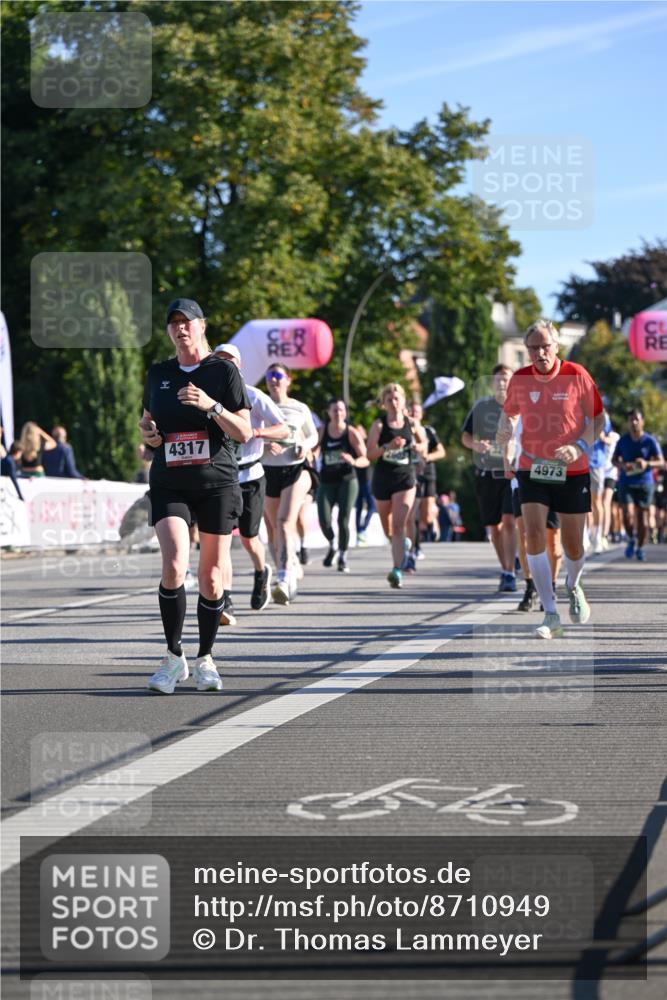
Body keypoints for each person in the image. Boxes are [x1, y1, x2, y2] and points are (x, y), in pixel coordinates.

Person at [140, 298, 251, 694]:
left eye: (186, 321)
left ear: (202, 326)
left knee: (212, 577)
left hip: (217, 483)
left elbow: (244, 432)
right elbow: (149, 422)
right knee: (173, 565)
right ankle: (173, 658)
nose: (179, 327)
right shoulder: (159, 374)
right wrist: (148, 433)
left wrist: (211, 405)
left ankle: (205, 658)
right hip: (170, 479)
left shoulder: (222, 372)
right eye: (173, 322)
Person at [497, 319, 606, 639]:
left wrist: (580, 446)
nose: (540, 353)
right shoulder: (520, 378)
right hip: (532, 466)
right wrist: (505, 437)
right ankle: (550, 612)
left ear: (556, 347)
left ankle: (573, 584)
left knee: (572, 545)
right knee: (533, 533)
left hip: (573, 470)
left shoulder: (577, 374)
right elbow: (510, 414)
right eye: (533, 348)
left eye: (545, 346)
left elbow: (598, 418)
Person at [213, 343, 288, 616]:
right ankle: (226, 600)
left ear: (239, 365)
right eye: (219, 360)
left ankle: (261, 571)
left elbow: (283, 428)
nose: (224, 365)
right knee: (222, 540)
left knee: (248, 539)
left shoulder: (253, 396)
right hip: (222, 477)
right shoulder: (209, 398)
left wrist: (256, 433)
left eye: (229, 361)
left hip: (252, 475)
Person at [261, 363, 319, 605]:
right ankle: (289, 565)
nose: (274, 380)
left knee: (285, 521)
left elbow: (313, 435)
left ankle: (283, 577)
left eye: (278, 375)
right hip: (267, 471)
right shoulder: (260, 406)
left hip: (295, 469)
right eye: (270, 375)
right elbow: (246, 435)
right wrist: (264, 444)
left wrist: (304, 447)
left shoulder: (298, 408)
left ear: (288, 380)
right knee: (274, 528)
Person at [461, 365, 517, 592]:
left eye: (506, 379)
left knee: (510, 520)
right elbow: (465, 436)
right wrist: (476, 445)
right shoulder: (482, 407)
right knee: (494, 527)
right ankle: (506, 566)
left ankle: (510, 573)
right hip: (487, 473)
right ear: (493, 383)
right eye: (498, 380)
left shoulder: (521, 407)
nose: (502, 383)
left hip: (511, 472)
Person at [366, 383, 427, 589]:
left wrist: (419, 447)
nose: (393, 402)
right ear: (384, 403)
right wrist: (387, 447)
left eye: (397, 398)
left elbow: (425, 444)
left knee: (400, 525)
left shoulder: (412, 422)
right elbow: (369, 454)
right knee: (388, 528)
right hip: (383, 478)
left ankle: (396, 570)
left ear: (404, 401)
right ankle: (402, 546)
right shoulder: (379, 425)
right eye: (389, 399)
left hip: (405, 478)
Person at [317, 399, 368, 573]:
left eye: (341, 410)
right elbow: (314, 448)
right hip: (326, 480)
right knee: (324, 519)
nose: (338, 413)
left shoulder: (351, 432)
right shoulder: (323, 430)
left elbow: (365, 458)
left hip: (347, 480)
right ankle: (332, 544)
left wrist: (353, 460)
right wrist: (311, 453)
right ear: (329, 412)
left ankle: (343, 556)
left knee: (343, 520)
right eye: (334, 410)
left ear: (345, 412)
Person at [612, 408, 664, 562]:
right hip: (626, 482)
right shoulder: (623, 440)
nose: (633, 422)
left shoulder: (650, 440)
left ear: (642, 422)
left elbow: (661, 462)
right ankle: (630, 538)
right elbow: (614, 460)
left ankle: (640, 547)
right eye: (631, 420)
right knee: (627, 515)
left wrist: (646, 463)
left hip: (645, 483)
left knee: (642, 519)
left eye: (636, 419)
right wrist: (622, 465)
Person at [406, 401, 445, 566]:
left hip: (427, 473)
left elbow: (441, 452)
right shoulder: (404, 430)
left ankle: (433, 519)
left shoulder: (428, 431)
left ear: (421, 414)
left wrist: (427, 457)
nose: (414, 414)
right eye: (412, 411)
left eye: (417, 411)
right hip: (410, 473)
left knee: (426, 516)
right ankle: (416, 548)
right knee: (412, 513)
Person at [354, 424, 376, 545]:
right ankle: (359, 534)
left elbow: (370, 458)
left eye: (360, 431)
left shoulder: (368, 446)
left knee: (372, 505)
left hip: (368, 479)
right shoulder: (352, 446)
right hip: (356, 480)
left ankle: (363, 528)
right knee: (358, 507)